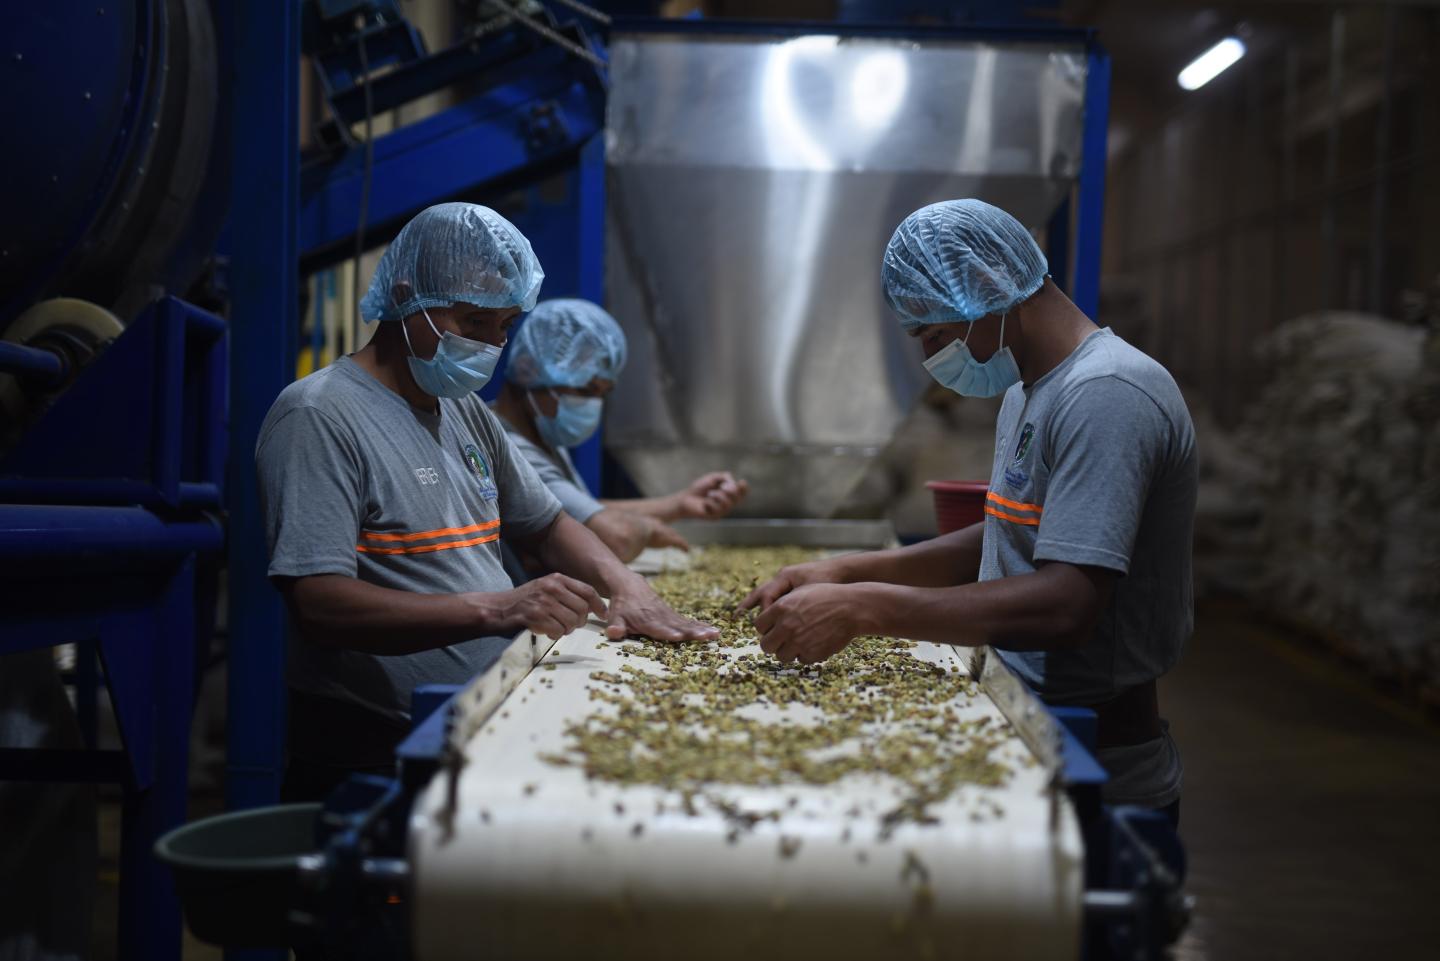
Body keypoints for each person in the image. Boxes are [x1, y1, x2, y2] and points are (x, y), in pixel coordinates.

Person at [740, 199, 1196, 819]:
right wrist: (850, 571)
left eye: (935, 335)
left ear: (986, 288)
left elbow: (1068, 605)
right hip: (1021, 714)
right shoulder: (1032, 389)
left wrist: (864, 608)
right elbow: (1011, 532)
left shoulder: (1106, 394)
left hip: (1096, 763)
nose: (935, 359)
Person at [257, 203, 716, 802]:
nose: (489, 343)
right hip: (375, 747)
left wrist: (625, 584)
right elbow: (318, 604)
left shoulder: (464, 411)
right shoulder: (319, 415)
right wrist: (499, 609)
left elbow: (547, 521)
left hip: (484, 716)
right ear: (405, 297)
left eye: (501, 326)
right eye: (472, 320)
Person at [492, 298, 749, 564]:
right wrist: (646, 528)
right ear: (527, 370)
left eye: (603, 394)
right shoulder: (511, 448)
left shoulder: (540, 432)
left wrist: (680, 504)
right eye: (586, 390)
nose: (593, 405)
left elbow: (578, 509)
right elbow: (614, 536)